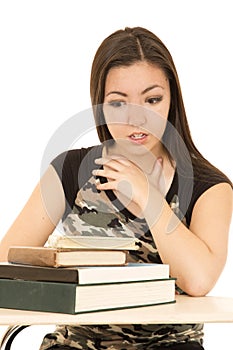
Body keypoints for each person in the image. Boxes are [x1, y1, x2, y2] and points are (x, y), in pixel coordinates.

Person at [0, 26, 232, 349]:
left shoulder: (210, 186)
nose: (137, 118)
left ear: (171, 100)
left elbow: (198, 280)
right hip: (77, 344)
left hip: (170, 345)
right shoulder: (70, 170)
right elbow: (8, 267)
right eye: (118, 103)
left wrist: (148, 197)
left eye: (152, 99)